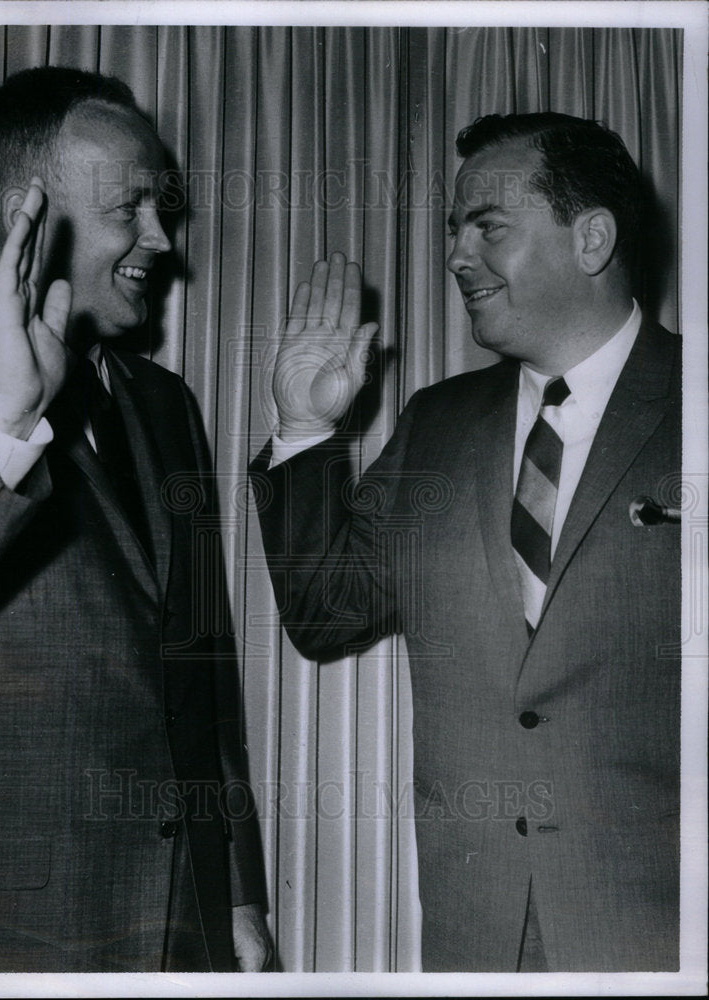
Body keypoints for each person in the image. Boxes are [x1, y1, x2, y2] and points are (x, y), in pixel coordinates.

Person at [252, 112, 680, 971]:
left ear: (590, 237)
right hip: (476, 932)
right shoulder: (436, 424)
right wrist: (302, 429)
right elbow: (325, 613)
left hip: (667, 933)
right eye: (454, 230)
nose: (454, 255)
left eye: (486, 226)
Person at [0, 66, 272, 973]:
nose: (162, 239)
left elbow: (203, 675)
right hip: (8, 934)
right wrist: (1, 423)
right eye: (132, 208)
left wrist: (237, 894)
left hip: (184, 924)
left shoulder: (166, 404)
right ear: (26, 219)